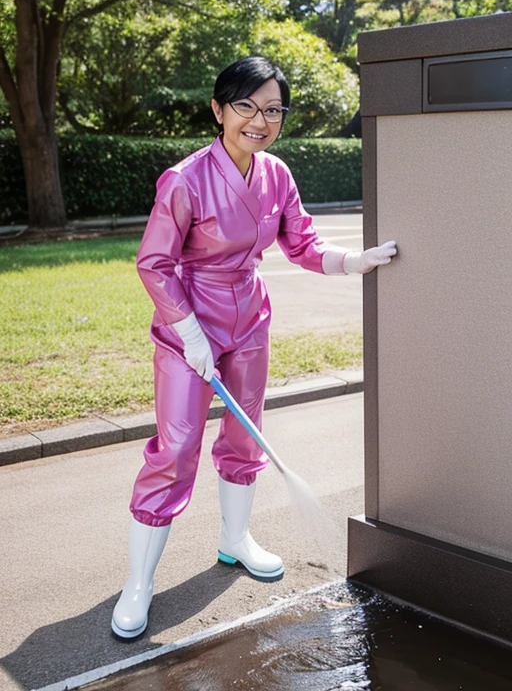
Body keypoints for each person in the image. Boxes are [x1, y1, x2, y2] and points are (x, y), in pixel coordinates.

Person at [111, 56, 397, 639]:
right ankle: (138, 582)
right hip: (188, 324)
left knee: (245, 435)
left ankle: (235, 539)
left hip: (249, 318)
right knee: (178, 447)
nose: (259, 121)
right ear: (218, 110)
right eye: (245, 106)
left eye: (272, 110)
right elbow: (155, 263)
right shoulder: (184, 179)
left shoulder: (276, 175)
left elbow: (303, 243)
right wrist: (188, 334)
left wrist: (355, 262)